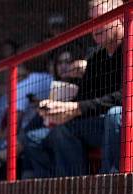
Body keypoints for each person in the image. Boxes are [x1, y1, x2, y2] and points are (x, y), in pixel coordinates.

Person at [23, 0, 123, 177]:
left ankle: (111, 184)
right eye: (91, 20)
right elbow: (83, 99)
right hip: (101, 124)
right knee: (48, 133)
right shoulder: (96, 57)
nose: (95, 26)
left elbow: (126, 96)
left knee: (115, 115)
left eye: (101, 18)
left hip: (122, 122)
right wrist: (58, 108)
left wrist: (76, 108)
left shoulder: (130, 45)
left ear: (120, 17)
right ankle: (70, 190)